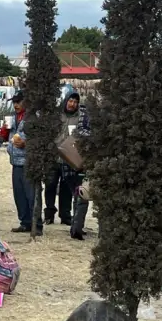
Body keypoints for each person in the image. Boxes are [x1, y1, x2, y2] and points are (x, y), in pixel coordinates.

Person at [7, 92, 42, 235]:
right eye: (14, 102)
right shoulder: (14, 117)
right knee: (19, 194)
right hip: (15, 161)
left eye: (18, 102)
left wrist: (26, 144)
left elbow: (40, 139)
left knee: (31, 194)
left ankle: (37, 224)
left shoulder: (33, 118)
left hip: (28, 161)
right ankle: (25, 222)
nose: (16, 105)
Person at [45, 92, 82, 225]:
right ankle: (49, 213)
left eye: (75, 102)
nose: (72, 104)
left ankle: (65, 215)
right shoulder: (57, 116)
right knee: (50, 186)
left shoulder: (79, 118)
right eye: (70, 101)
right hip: (54, 156)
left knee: (66, 188)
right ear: (66, 101)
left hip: (68, 157)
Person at [65, 103, 91, 240]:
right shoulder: (86, 111)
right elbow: (80, 130)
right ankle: (76, 229)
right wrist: (95, 136)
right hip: (87, 157)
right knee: (82, 193)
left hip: (100, 156)